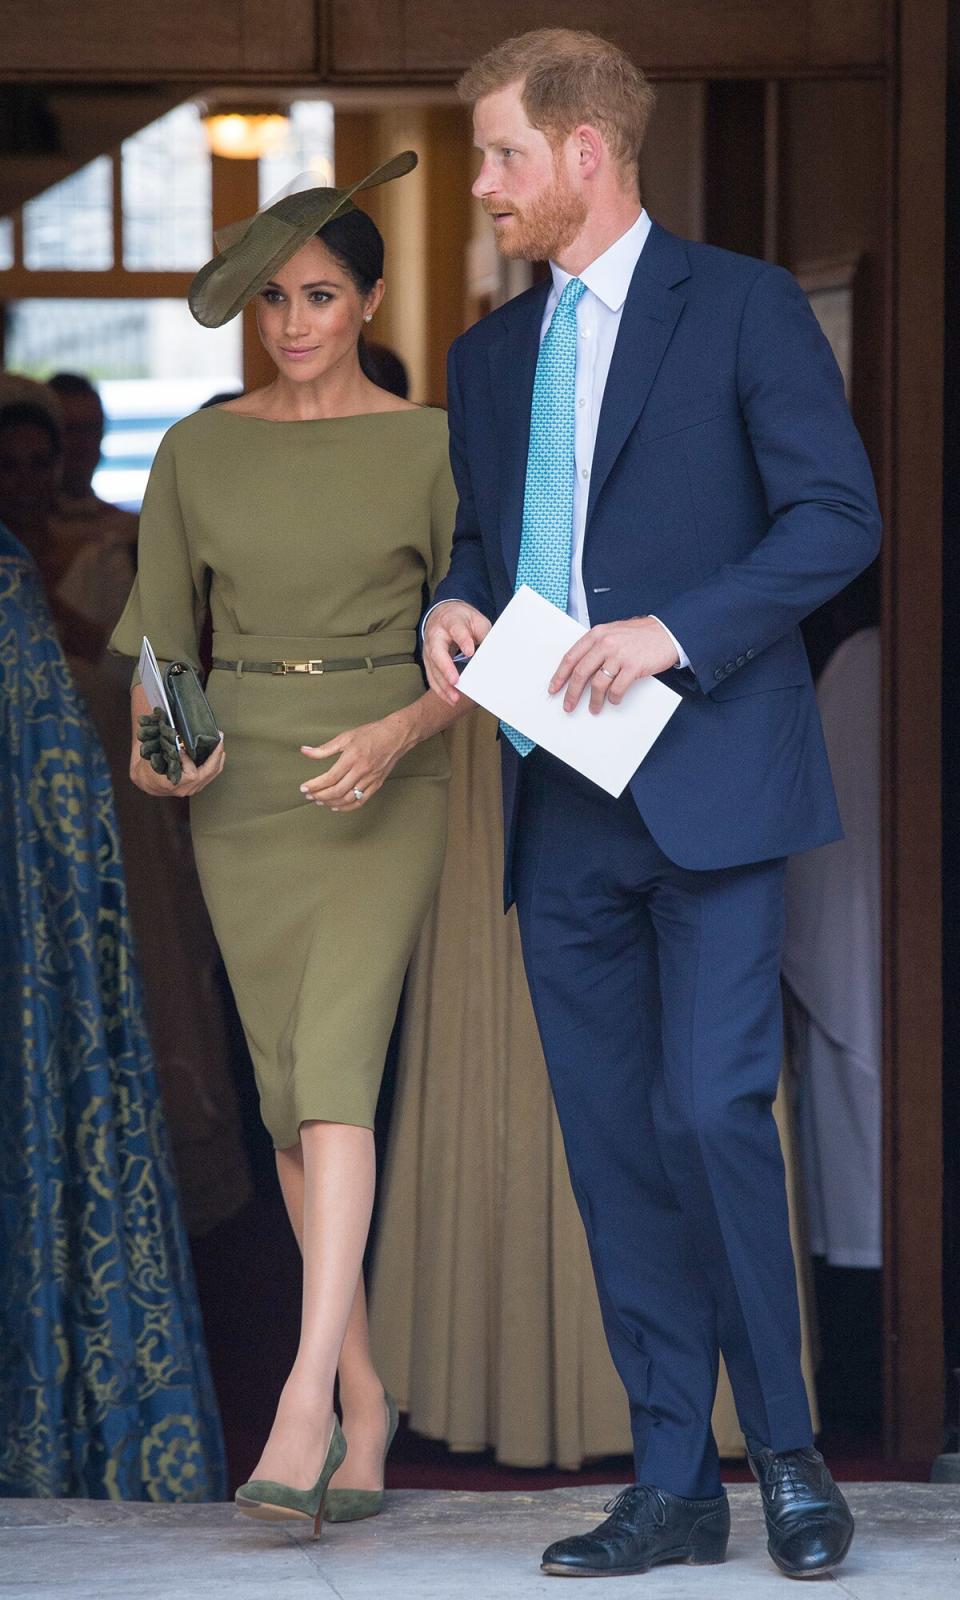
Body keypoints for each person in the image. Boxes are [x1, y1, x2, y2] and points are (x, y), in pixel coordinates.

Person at [423, 28, 881, 1581]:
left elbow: (837, 516)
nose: (480, 184)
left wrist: (674, 631)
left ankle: (797, 1464)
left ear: (583, 154)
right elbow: (485, 546)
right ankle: (675, 1485)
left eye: (498, 155)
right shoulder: (489, 357)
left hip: (716, 793)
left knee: (708, 1115)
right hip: (560, 809)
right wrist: (452, 607)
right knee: (616, 1145)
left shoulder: (743, 307)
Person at [109, 152, 467, 1534]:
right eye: (272, 299)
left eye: (320, 293)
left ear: (370, 300)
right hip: (243, 790)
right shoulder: (199, 446)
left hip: (385, 779)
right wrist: (173, 740)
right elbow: (154, 629)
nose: (294, 319)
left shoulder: (432, 444)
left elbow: (485, 638)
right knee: (284, 1104)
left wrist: (402, 734)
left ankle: (306, 1400)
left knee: (335, 1075)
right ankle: (370, 1402)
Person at [0, 519, 225, 1501]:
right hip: (205, 791)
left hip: (312, 775)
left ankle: (334, 1395)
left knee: (313, 1090)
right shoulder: (199, 452)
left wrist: (186, 755)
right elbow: (158, 640)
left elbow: (152, 650)